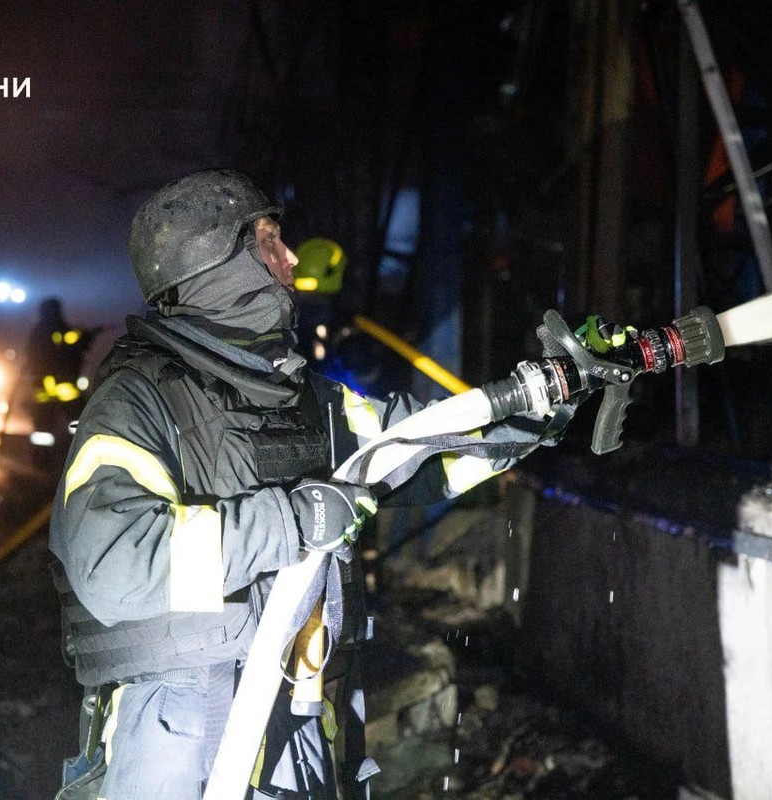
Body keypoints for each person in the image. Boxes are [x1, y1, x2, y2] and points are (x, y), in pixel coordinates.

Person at [49, 170, 559, 799]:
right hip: (182, 746)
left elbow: (415, 446)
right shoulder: (137, 399)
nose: (290, 258)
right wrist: (290, 522)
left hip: (305, 724)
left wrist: (535, 415)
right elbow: (112, 562)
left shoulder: (304, 399)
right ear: (217, 263)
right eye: (269, 241)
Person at [22, 298, 101, 466]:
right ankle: (83, 459)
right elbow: (73, 344)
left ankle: (42, 464)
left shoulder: (39, 332)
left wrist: (86, 335)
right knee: (78, 424)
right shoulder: (58, 331)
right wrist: (87, 335)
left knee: (44, 431)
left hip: (45, 393)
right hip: (65, 390)